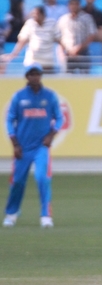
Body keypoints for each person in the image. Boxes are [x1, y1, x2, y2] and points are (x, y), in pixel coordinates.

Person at [3, 64, 64, 229]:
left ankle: (46, 215)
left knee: (42, 178)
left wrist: (51, 134)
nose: (35, 77)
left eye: (37, 74)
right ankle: (11, 213)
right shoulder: (19, 97)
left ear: (41, 76)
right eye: (31, 74)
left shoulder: (49, 96)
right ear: (27, 77)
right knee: (17, 181)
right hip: (23, 147)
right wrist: (15, 143)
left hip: (41, 147)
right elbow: (9, 120)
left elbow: (59, 118)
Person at [1, 6, 62, 74]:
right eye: (33, 13)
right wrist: (14, 54)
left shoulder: (52, 23)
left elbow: (59, 39)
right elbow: (22, 40)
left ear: (43, 15)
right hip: (32, 62)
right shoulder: (29, 23)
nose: (34, 15)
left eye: (36, 13)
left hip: (48, 61)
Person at [57, 0, 98, 74]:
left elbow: (91, 35)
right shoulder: (63, 19)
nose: (74, 6)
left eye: (76, 4)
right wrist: (61, 52)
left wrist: (78, 48)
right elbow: (59, 37)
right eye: (72, 4)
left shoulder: (87, 18)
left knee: (85, 77)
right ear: (68, 6)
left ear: (79, 5)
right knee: (67, 78)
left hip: (83, 52)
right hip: (67, 53)